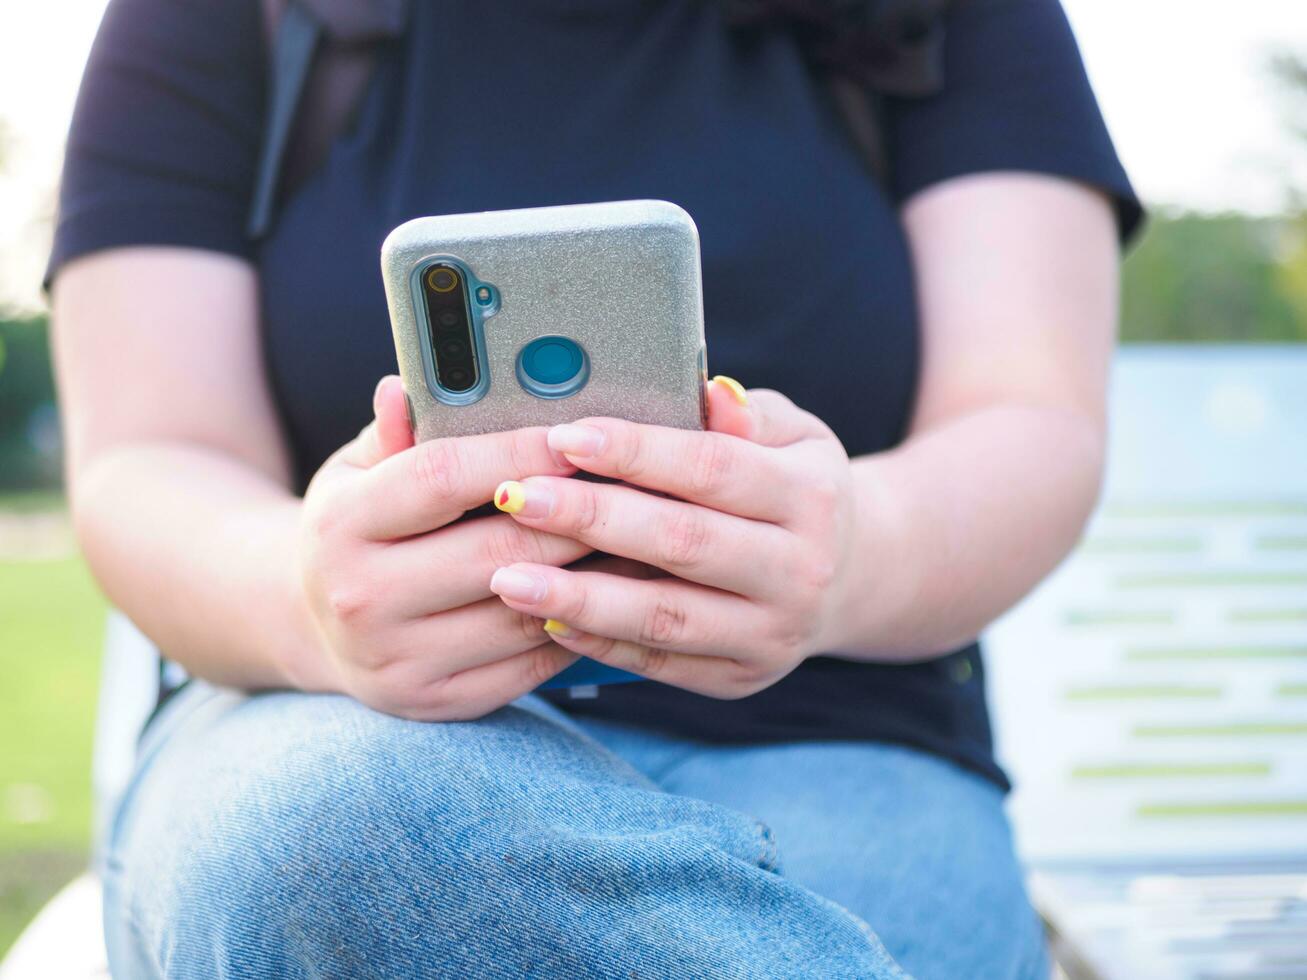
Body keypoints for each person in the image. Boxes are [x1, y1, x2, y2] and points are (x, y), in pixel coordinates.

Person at [48, 0, 1141, 976]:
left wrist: (853, 555)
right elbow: (146, 455)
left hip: (833, 749)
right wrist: (305, 602)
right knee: (335, 835)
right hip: (337, 729)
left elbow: (1027, 416)